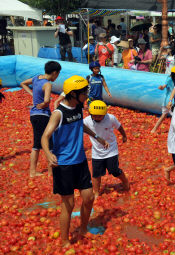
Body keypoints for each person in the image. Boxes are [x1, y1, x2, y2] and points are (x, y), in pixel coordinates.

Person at [41, 75, 107, 247]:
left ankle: (83, 229)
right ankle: (64, 240)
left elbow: (80, 125)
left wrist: (97, 136)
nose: (87, 94)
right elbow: (45, 136)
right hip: (64, 165)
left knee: (88, 198)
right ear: (73, 94)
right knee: (68, 204)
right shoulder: (58, 114)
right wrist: (48, 154)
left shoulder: (78, 108)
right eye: (84, 92)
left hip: (80, 161)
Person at [20, 61, 61, 177]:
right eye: (57, 74)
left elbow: (23, 83)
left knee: (38, 143)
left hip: (33, 115)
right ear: (54, 73)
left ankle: (42, 171)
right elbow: (47, 100)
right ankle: (46, 172)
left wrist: (32, 94)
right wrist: (43, 104)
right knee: (45, 143)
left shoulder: (37, 78)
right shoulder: (47, 84)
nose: (57, 77)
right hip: (42, 115)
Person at [84, 100, 129, 198]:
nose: (97, 118)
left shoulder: (110, 118)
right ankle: (96, 192)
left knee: (114, 170)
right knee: (96, 174)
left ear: (105, 113)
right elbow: (79, 129)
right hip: (97, 151)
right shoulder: (87, 121)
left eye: (99, 116)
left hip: (111, 149)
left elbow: (119, 127)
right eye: (94, 115)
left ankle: (125, 181)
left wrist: (124, 136)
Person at [151, 66, 175, 133]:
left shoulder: (171, 79)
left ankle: (154, 129)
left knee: (163, 116)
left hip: (166, 101)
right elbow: (164, 86)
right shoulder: (169, 80)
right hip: (170, 102)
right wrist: (161, 87)